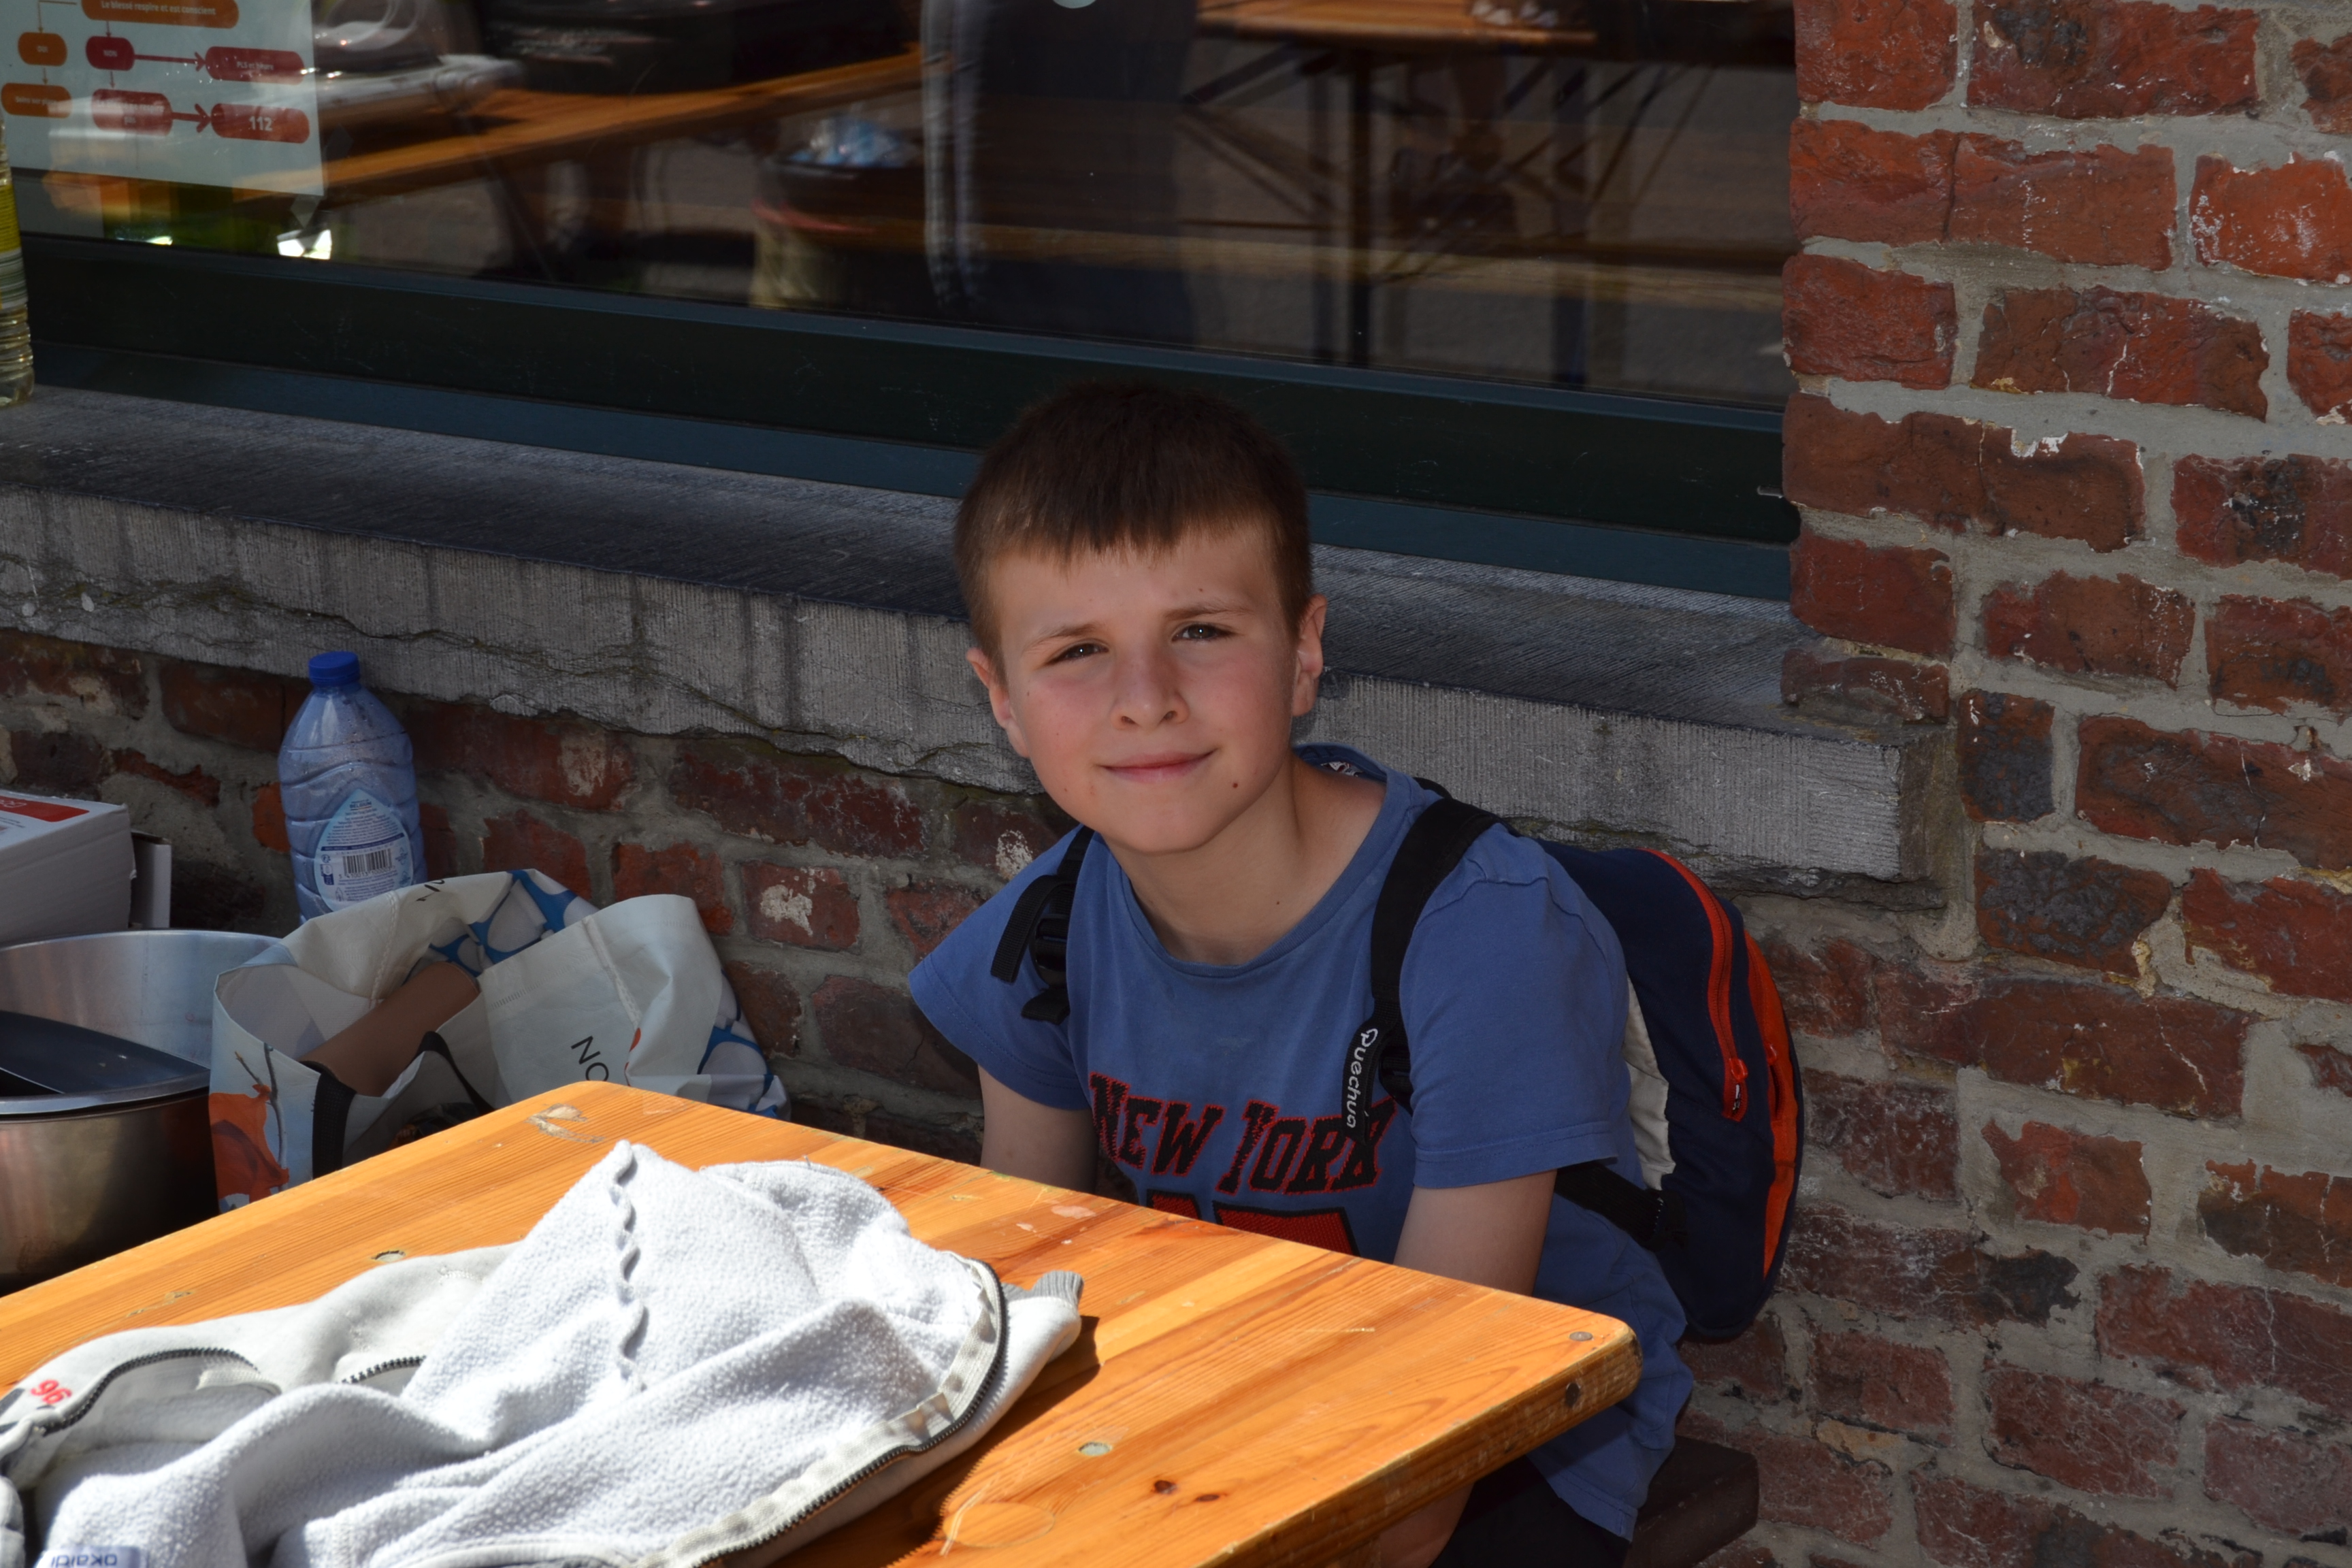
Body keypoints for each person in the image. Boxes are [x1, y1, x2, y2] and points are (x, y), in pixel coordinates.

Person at [909, 382, 1689, 1567]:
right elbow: (1022, 1306)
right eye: (1078, 651)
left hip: (1516, 1447)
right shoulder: (1045, 933)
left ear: (1305, 652)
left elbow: (1426, 1472)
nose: (1145, 700)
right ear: (1002, 700)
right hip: (1223, 1396)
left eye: (1202, 632)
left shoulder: (1482, 936)